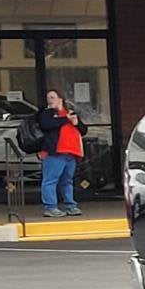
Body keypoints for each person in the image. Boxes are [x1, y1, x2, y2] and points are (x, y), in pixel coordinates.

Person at [36, 89, 84, 218]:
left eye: (53, 97)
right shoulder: (47, 113)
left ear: (60, 99)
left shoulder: (70, 112)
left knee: (67, 180)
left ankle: (71, 205)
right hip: (55, 152)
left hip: (71, 152)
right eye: (48, 98)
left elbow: (83, 130)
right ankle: (50, 207)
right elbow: (46, 125)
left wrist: (76, 123)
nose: (50, 100)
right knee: (50, 180)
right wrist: (65, 119)